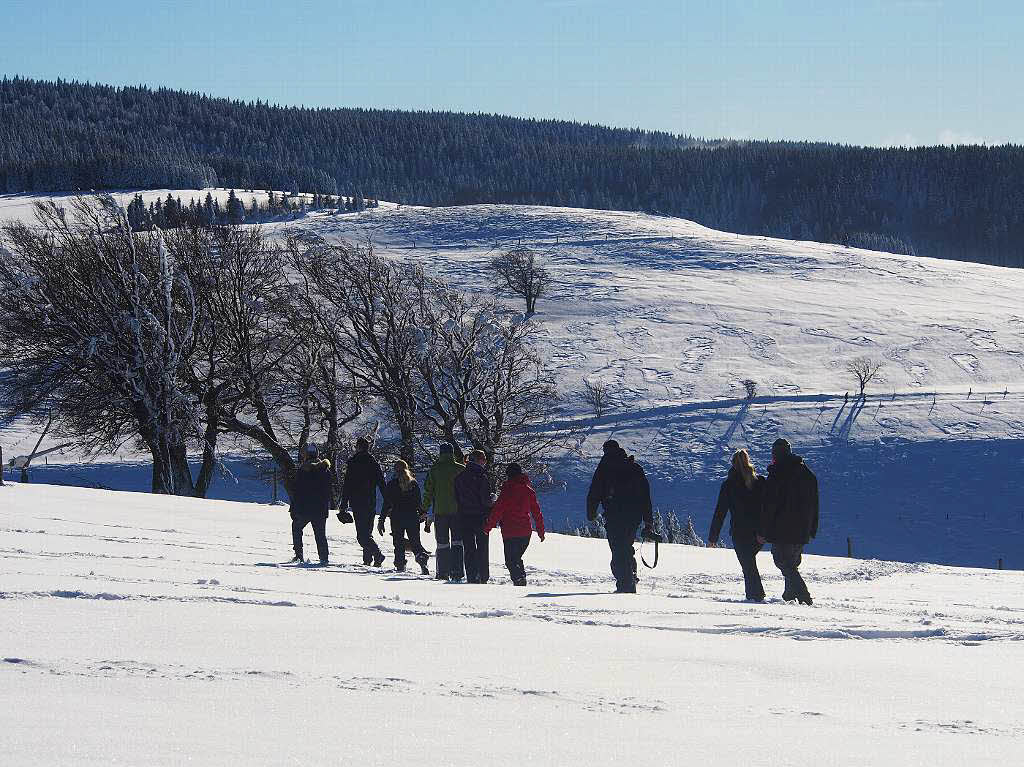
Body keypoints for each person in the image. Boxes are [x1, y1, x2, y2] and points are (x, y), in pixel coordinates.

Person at [586, 440, 655, 593]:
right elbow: (645, 495)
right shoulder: (635, 467)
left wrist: (591, 513)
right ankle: (631, 575)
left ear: (605, 451)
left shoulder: (604, 468)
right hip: (634, 516)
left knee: (618, 548)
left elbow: (594, 492)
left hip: (614, 515)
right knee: (626, 546)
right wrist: (648, 520)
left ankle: (626, 584)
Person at [758, 438, 819, 605]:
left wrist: (763, 531)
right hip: (802, 529)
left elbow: (769, 506)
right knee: (792, 562)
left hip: (782, 530)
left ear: (775, 455)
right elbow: (815, 503)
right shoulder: (807, 474)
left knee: (783, 562)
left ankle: (804, 597)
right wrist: (812, 527)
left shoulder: (777, 474)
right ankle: (789, 595)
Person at [708, 449, 766, 601]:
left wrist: (713, 537)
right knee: (749, 564)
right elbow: (767, 508)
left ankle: (755, 596)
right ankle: (755, 595)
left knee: (748, 566)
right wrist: (763, 531)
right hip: (758, 534)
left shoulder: (729, 485)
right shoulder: (759, 481)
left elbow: (720, 512)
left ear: (733, 464)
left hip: (740, 533)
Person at [484, 463, 545, 586]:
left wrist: (488, 527)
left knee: (510, 561)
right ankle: (521, 579)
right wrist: (540, 531)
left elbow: (497, 511)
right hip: (525, 532)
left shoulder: (507, 491)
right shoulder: (529, 491)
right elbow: (537, 512)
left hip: (510, 532)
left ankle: (519, 581)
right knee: (516, 558)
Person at [421, 443, 466, 581]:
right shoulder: (461, 469)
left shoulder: (435, 469)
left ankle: (443, 572)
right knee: (458, 542)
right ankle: (457, 571)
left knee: (442, 543)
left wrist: (424, 508)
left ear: (440, 453)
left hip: (440, 511)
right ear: (452, 453)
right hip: (458, 512)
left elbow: (428, 491)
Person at [378, 459, 431, 575]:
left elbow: (386, 504)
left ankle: (400, 565)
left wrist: (381, 520)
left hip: (397, 517)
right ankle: (422, 560)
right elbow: (418, 502)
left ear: (395, 471)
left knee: (398, 543)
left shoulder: (392, 484)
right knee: (415, 542)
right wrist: (423, 514)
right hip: (412, 517)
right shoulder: (413, 483)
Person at [340, 437, 387, 567]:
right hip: (370, 501)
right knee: (367, 532)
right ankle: (368, 560)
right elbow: (382, 484)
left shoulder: (353, 463)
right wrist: (388, 500)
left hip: (357, 502)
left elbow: (347, 486)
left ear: (358, 447)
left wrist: (343, 505)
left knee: (362, 536)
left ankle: (377, 555)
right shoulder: (373, 463)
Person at [288, 443, 332, 565]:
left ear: (306, 455)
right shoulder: (325, 470)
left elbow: (296, 491)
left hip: (304, 509)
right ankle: (324, 558)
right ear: (317, 454)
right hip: (320, 509)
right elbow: (328, 491)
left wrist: (293, 508)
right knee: (320, 534)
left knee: (296, 528)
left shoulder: (302, 470)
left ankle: (298, 555)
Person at [454, 449, 494, 583]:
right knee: (482, 547)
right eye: (483, 459)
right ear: (478, 460)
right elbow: (485, 500)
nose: (485, 462)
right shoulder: (482, 477)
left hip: (464, 516)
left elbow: (457, 498)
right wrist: (492, 501)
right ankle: (483, 575)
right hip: (480, 516)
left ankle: (471, 575)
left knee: (469, 547)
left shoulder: (459, 477)